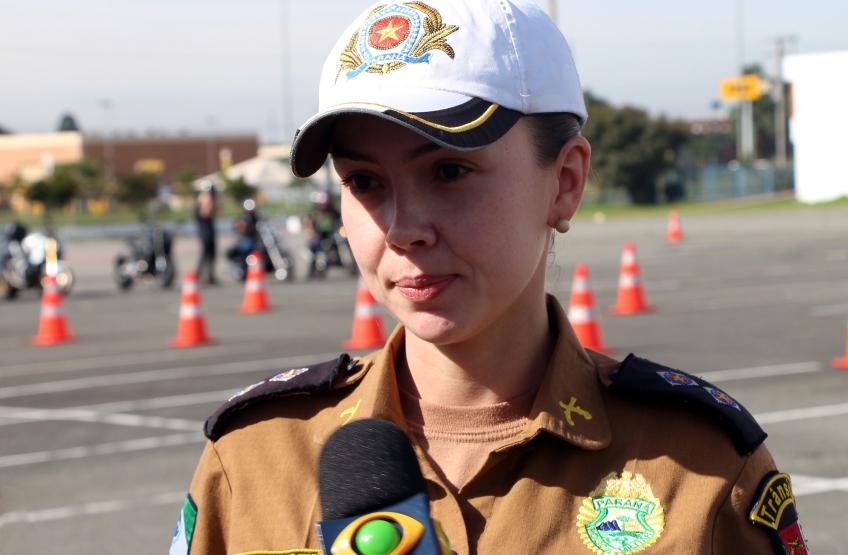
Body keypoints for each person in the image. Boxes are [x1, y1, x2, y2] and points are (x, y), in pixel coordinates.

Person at [172, 1, 807, 554]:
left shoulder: (701, 470)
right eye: (364, 181)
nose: (404, 228)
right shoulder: (252, 460)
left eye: (449, 172)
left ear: (564, 183)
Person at [194, 181, 218, 285]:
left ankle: (209, 276)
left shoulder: (203, 198)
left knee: (211, 254)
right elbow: (205, 213)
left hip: (207, 229)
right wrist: (211, 203)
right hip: (205, 230)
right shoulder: (205, 198)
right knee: (206, 254)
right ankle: (201, 276)